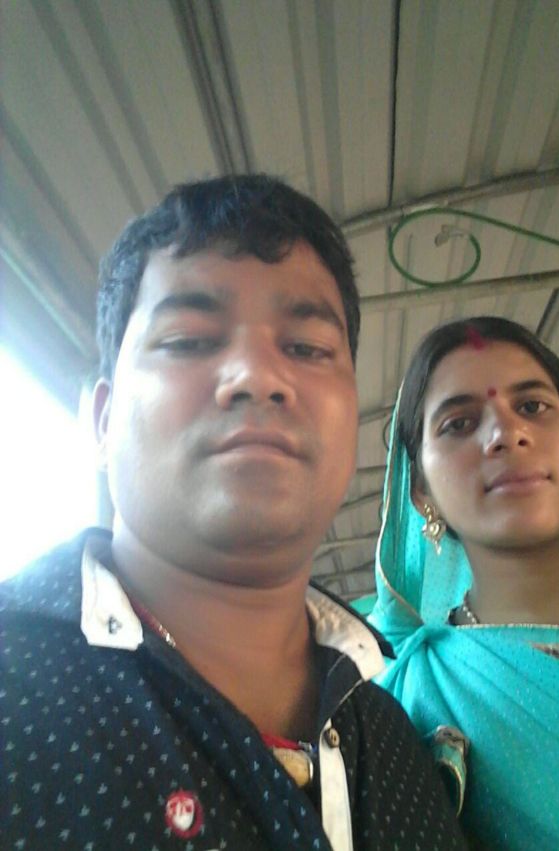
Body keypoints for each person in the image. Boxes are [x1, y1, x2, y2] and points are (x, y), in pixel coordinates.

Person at [1, 175, 466, 850]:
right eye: (190, 339)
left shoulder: (396, 739)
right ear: (101, 418)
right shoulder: (16, 689)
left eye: (306, 348)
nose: (257, 375)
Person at [368, 316, 559, 850]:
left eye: (533, 406)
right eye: (459, 423)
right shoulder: (415, 700)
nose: (505, 434)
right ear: (421, 491)